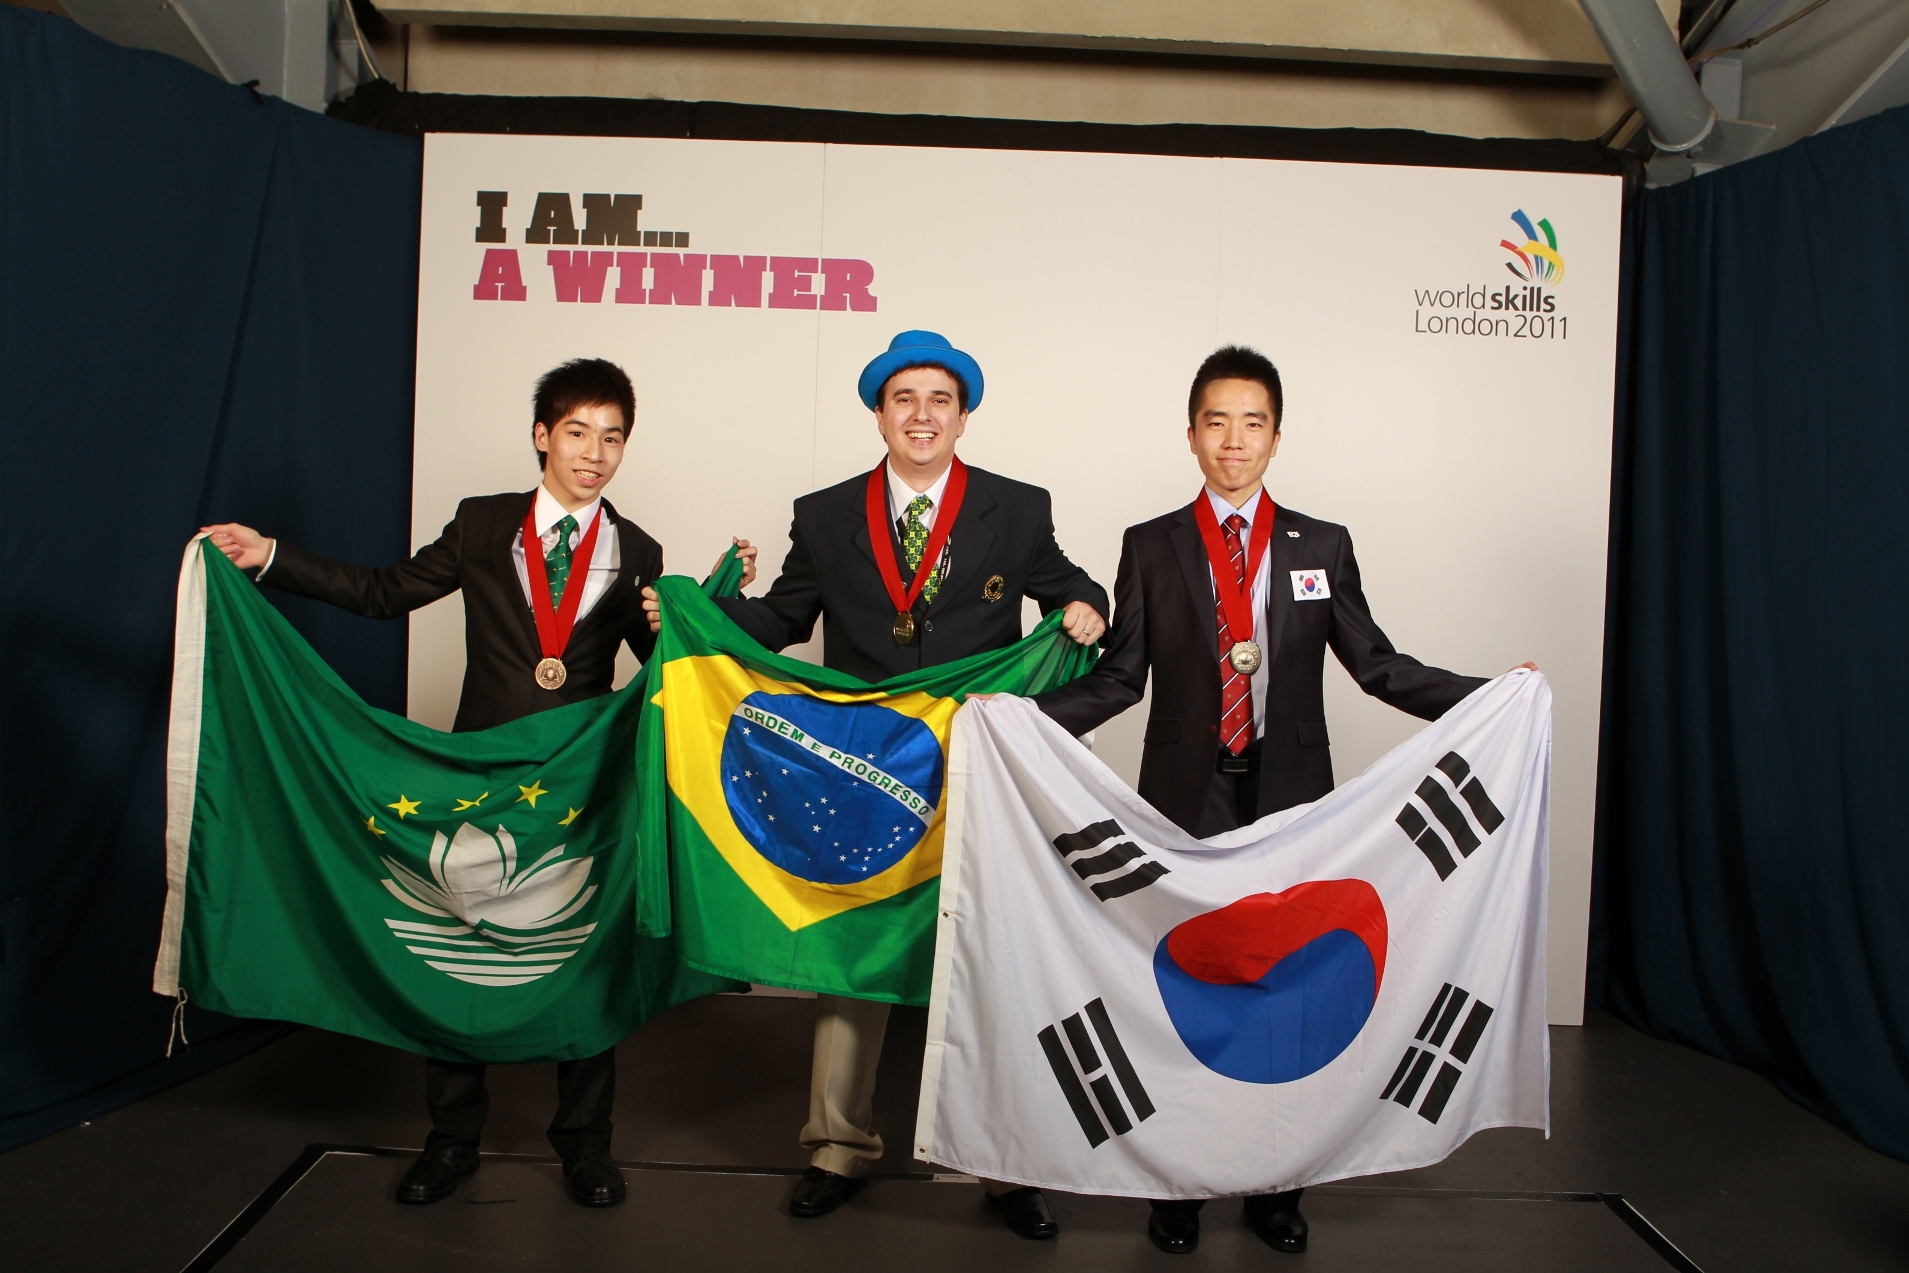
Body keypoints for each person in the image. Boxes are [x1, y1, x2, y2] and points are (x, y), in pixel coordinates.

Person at [201, 357, 755, 1209]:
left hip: (580, 780)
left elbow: (660, 673)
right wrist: (270, 557)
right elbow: (383, 593)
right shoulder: (482, 521)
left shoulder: (638, 548)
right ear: (542, 435)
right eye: (577, 432)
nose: (595, 453)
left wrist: (698, 609)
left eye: (612, 438)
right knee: (455, 946)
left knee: (582, 952)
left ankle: (586, 1145)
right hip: (479, 774)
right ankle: (451, 1140)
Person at [1033, 344, 1533, 1256]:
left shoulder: (1321, 544)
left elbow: (1377, 665)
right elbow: (1121, 676)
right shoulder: (1151, 543)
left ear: (1275, 437)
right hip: (1184, 798)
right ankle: (1182, 1185)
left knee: (1288, 990)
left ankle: (1276, 1184)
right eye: (1216, 422)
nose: (1233, 440)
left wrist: (1489, 693)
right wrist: (1019, 719)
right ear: (1191, 435)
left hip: (1295, 798)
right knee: (1189, 985)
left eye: (1251, 422)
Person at [644, 330, 1108, 1239]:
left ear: (962, 416)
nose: (921, 415)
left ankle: (999, 1162)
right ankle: (835, 1146)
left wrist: (1087, 604)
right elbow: (780, 619)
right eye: (904, 398)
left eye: (939, 399)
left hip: (974, 760)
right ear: (879, 413)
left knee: (989, 955)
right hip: (864, 768)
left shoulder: (1017, 508)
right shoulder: (824, 515)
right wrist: (698, 612)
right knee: (851, 948)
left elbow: (1070, 585)